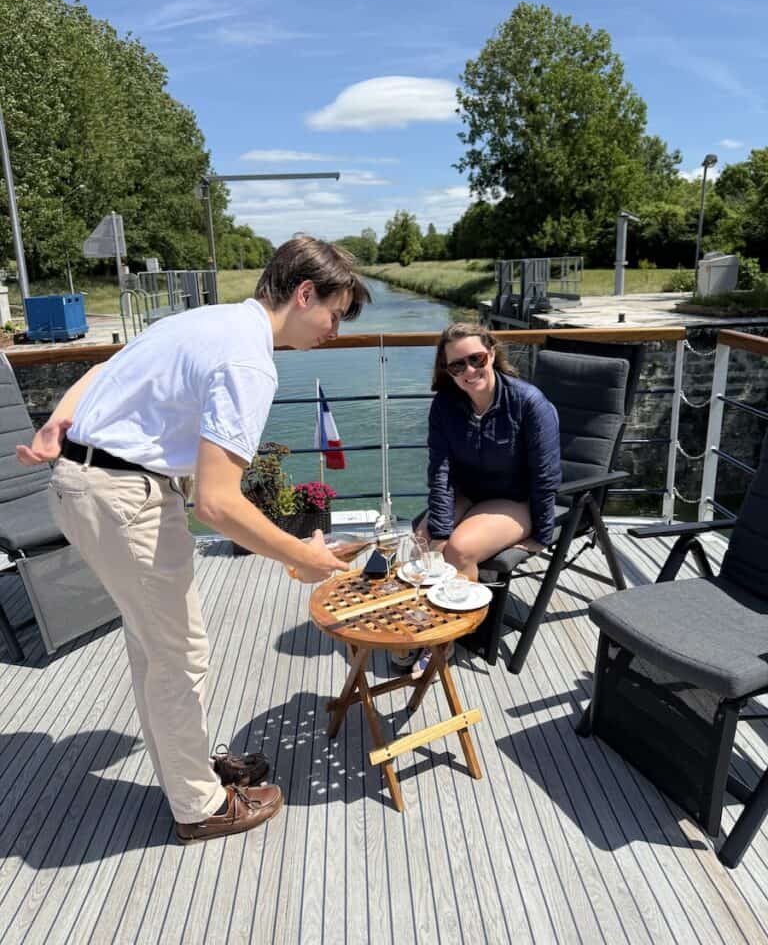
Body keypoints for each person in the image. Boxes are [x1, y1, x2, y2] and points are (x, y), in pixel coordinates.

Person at [16, 236, 371, 844]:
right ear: (304, 293)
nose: (335, 331)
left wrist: (57, 423)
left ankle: (189, 774)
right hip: (123, 499)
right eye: (334, 315)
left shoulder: (207, 319)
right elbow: (218, 503)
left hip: (87, 486)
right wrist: (304, 557)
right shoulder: (249, 362)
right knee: (179, 655)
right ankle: (200, 806)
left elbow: (100, 372)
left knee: (155, 647)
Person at [401, 322, 560, 673]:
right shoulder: (445, 405)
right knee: (423, 540)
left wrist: (543, 535)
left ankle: (444, 640)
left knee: (459, 549)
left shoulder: (529, 403)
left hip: (514, 498)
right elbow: (440, 471)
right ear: (447, 370)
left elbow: (545, 475)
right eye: (457, 365)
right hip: (467, 490)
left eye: (476, 359)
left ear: (491, 353)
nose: (469, 371)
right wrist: (438, 530)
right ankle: (424, 619)